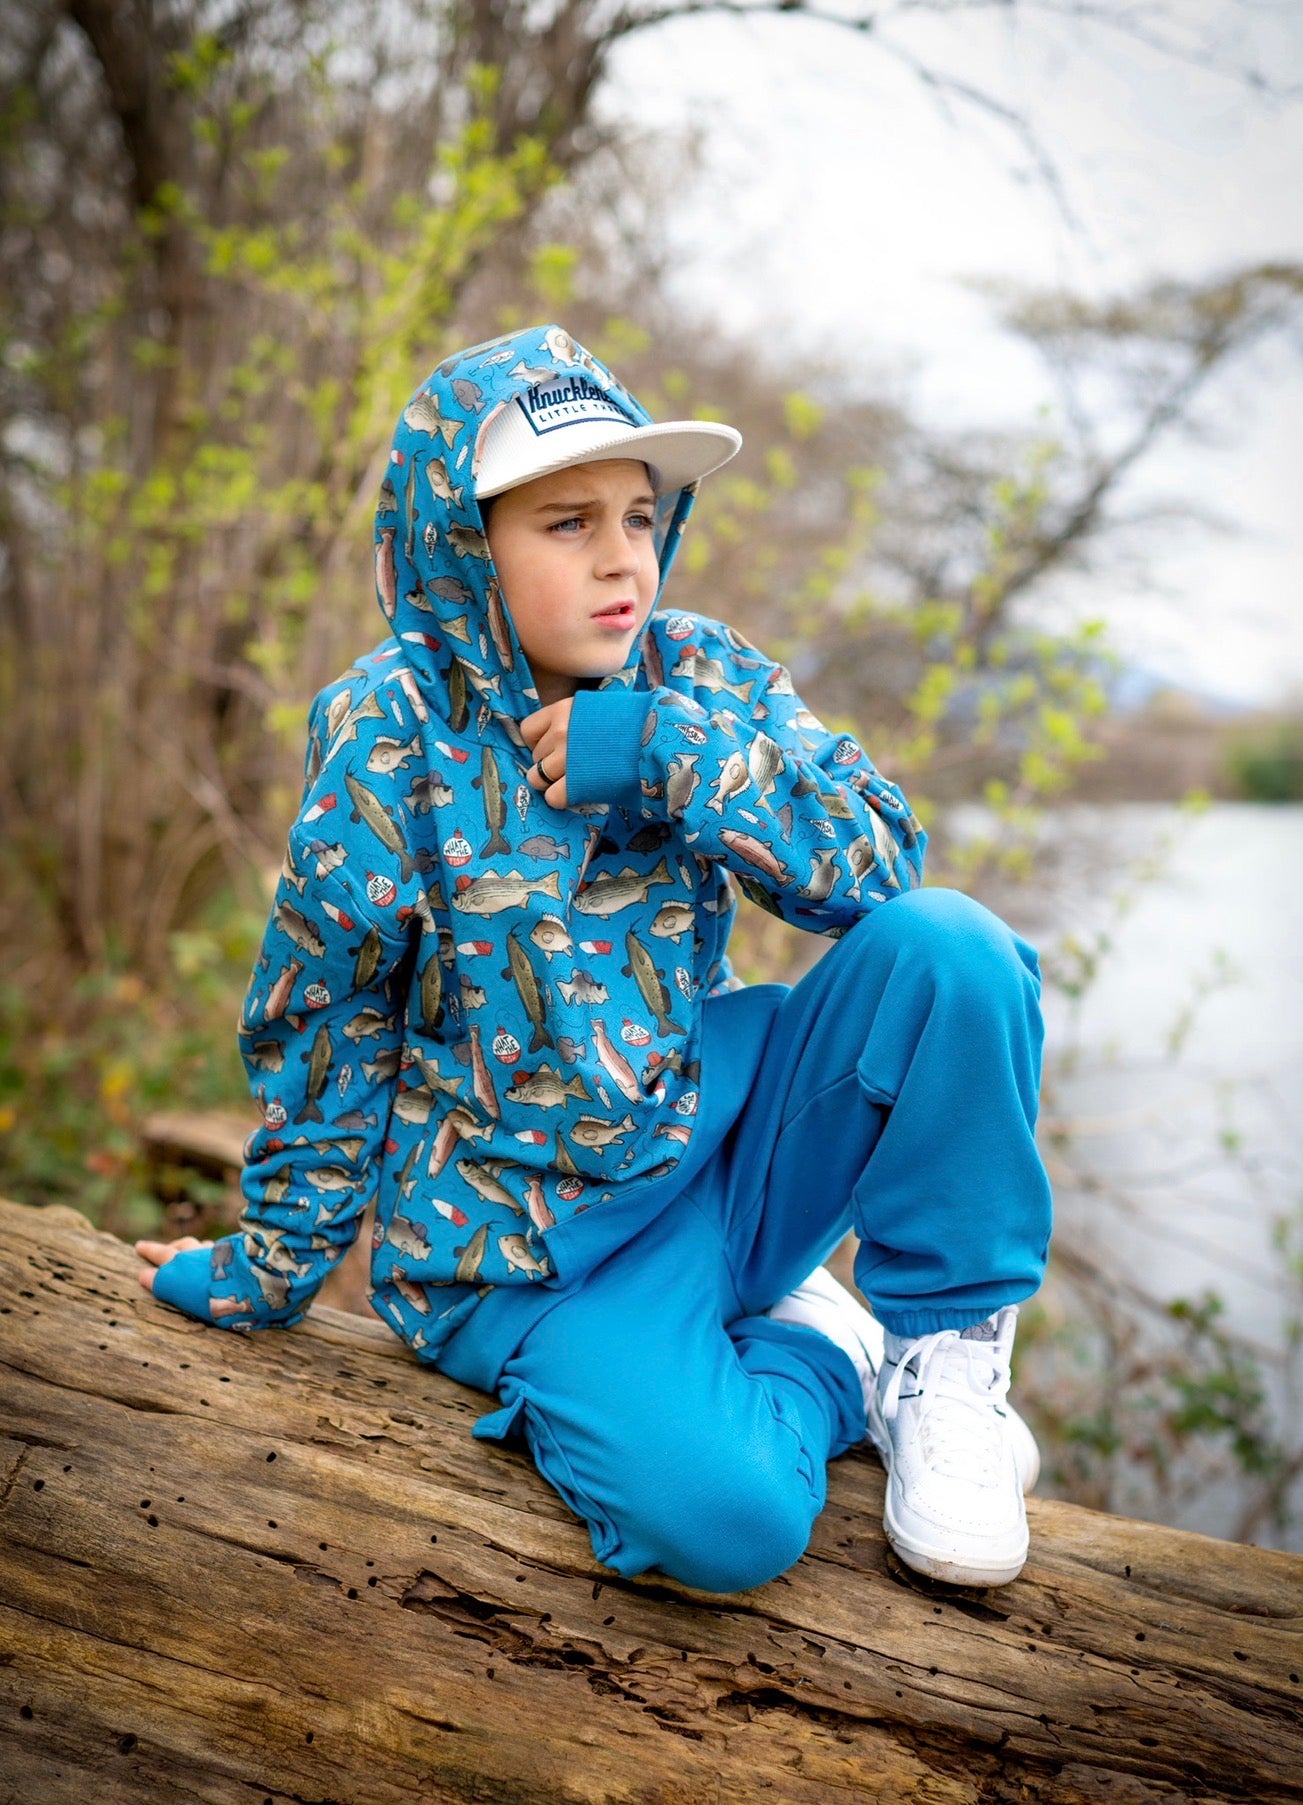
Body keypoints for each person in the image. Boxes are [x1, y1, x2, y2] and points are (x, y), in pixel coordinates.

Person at [138, 323, 1052, 1592]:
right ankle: (825, 1357)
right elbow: (327, 1015)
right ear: (466, 546)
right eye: (568, 524)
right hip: (532, 1257)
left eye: (639, 516)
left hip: (728, 1156)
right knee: (730, 1522)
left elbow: (883, 865)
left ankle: (939, 1356)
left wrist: (667, 752)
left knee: (958, 950)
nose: (623, 559)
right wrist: (270, 1263)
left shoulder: (698, 672)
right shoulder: (387, 730)